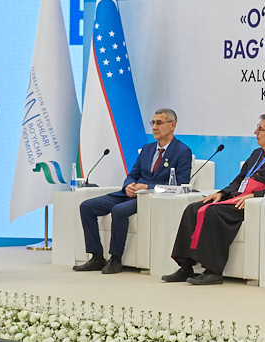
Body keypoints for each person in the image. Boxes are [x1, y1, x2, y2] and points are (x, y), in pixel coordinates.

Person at [164, 113, 265, 286]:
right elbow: (239, 180)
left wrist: (255, 196)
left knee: (214, 212)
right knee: (194, 208)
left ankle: (213, 271)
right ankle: (185, 266)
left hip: (254, 204)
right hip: (237, 198)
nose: (255, 132)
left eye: (260, 129)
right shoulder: (256, 153)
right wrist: (221, 193)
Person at [76, 108, 193, 274]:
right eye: (153, 123)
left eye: (159, 123)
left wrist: (148, 188)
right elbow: (133, 174)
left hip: (151, 197)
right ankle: (96, 256)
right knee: (87, 206)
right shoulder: (147, 149)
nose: (154, 127)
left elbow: (180, 184)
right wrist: (129, 185)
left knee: (119, 211)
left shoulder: (182, 151)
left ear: (172, 125)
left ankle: (115, 258)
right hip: (130, 193)